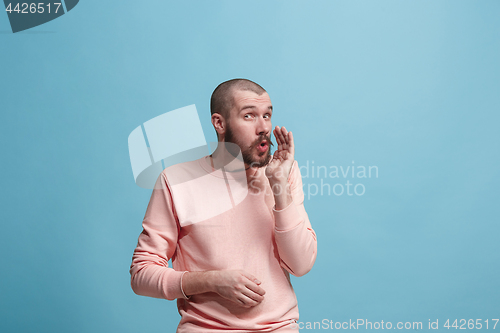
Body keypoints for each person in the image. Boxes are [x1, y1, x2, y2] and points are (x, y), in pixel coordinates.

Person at [130, 78, 317, 332]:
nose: (263, 127)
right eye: (249, 116)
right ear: (219, 123)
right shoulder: (176, 180)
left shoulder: (284, 173)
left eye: (267, 115)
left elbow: (301, 264)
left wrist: (279, 186)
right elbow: (141, 276)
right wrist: (211, 280)